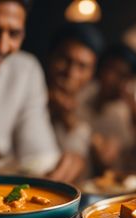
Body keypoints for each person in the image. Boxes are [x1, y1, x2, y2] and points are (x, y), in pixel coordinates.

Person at [0, 0, 75, 180]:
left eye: (14, 34)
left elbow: (37, 155)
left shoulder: (25, 71)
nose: (2, 46)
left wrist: (59, 166)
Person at [80, 42, 136, 175]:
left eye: (122, 75)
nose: (110, 77)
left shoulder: (126, 110)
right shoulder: (82, 96)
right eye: (109, 69)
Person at [46, 22, 103, 183]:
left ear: (92, 72)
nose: (71, 73)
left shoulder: (92, 108)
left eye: (82, 66)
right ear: (50, 56)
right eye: (64, 60)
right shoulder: (29, 99)